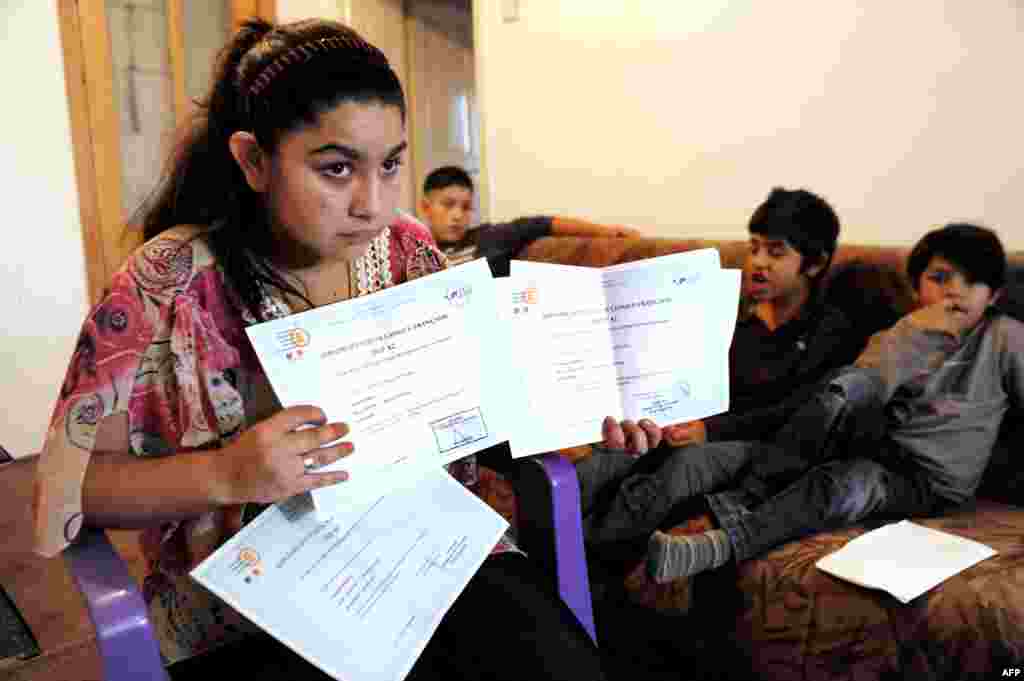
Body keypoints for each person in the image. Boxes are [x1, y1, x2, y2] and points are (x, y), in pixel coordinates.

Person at [33, 19, 604, 680]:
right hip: (248, 613)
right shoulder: (166, 285)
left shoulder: (408, 251)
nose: (373, 204)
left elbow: (479, 407)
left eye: (390, 165)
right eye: (337, 169)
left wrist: (582, 409)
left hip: (429, 557)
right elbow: (65, 487)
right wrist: (225, 472)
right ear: (252, 161)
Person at [593, 224, 1023, 586]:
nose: (956, 293)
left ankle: (721, 542)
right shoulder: (902, 332)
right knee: (835, 396)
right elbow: (869, 383)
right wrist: (916, 333)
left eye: (972, 282)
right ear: (916, 287)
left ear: (996, 295)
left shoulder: (1003, 338)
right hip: (868, 443)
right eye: (941, 278)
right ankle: (591, 540)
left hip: (926, 478)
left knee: (842, 484)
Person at [654, 187, 863, 450]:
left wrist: (710, 431)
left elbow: (797, 409)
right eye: (754, 248)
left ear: (815, 264)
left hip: (753, 450)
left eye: (775, 252)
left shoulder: (829, 330)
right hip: (681, 434)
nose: (758, 262)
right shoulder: (727, 311)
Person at [418, 164, 640, 276]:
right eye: (448, 205)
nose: (457, 215)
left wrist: (607, 232)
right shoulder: (411, 252)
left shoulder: (489, 237)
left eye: (466, 207)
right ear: (426, 207)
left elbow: (545, 224)